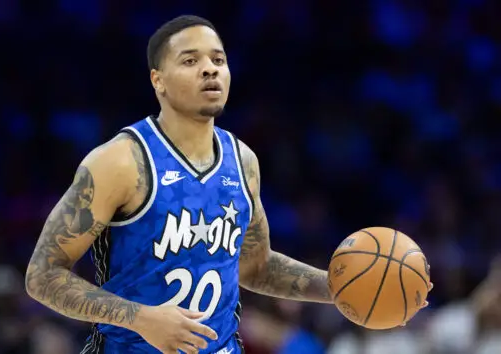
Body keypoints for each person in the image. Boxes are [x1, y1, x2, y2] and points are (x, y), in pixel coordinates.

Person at [24, 15, 426, 354]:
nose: (210, 69)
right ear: (158, 80)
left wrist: (342, 289)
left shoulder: (242, 160)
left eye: (218, 59)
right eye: (190, 60)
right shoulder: (120, 161)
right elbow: (42, 275)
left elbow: (255, 266)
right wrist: (140, 318)